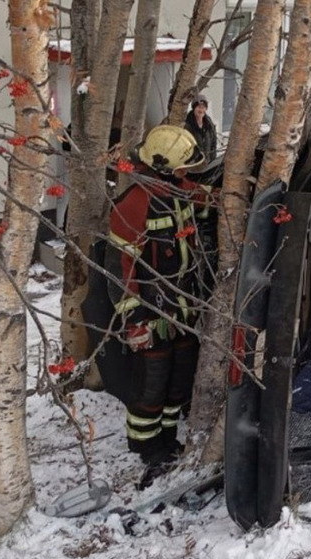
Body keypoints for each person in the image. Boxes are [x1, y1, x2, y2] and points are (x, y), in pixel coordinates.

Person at [104, 125, 211, 486]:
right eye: (182, 168)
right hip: (151, 311)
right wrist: (134, 322)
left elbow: (205, 198)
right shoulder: (133, 205)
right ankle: (147, 447)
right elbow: (119, 273)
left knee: (179, 378)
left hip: (183, 308)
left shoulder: (178, 191)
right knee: (152, 384)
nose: (187, 174)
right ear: (164, 168)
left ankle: (168, 440)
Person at [184, 93, 217, 163]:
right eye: (199, 107)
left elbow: (213, 143)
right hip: (193, 165)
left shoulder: (209, 124)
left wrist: (212, 160)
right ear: (194, 108)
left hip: (208, 163)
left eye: (204, 107)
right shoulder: (187, 125)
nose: (201, 110)